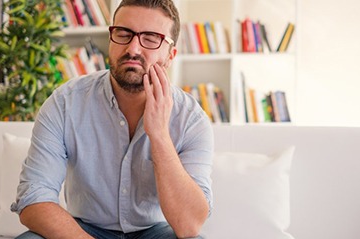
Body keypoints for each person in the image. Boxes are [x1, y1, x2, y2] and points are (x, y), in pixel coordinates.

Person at [11, 0, 214, 238]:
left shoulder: (191, 119)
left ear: (170, 55)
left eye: (150, 38)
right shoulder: (65, 103)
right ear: (111, 39)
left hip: (156, 232)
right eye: (123, 33)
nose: (133, 49)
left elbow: (189, 225)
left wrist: (159, 134)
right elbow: (33, 198)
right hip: (82, 229)